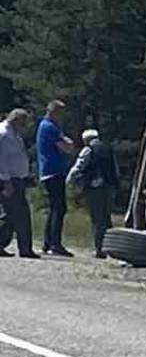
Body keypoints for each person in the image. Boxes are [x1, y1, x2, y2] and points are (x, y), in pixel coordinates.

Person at [67, 129, 118, 258]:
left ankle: (100, 249)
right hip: (109, 186)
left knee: (97, 218)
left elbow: (79, 166)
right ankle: (111, 247)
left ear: (86, 139)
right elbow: (115, 170)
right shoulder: (108, 149)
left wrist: (68, 181)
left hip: (95, 187)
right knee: (107, 217)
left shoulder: (88, 149)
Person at [36, 100, 76, 257]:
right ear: (55, 112)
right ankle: (55, 244)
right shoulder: (50, 127)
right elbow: (65, 146)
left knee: (54, 207)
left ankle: (48, 242)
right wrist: (69, 145)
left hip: (49, 171)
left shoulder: (45, 126)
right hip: (54, 171)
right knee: (59, 208)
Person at [0, 108, 39, 258]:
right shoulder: (4, 134)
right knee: (21, 214)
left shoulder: (14, 134)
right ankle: (25, 249)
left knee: (11, 215)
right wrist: (6, 180)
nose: (25, 126)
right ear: (16, 120)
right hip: (8, 179)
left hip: (17, 178)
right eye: (23, 122)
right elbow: (1, 159)